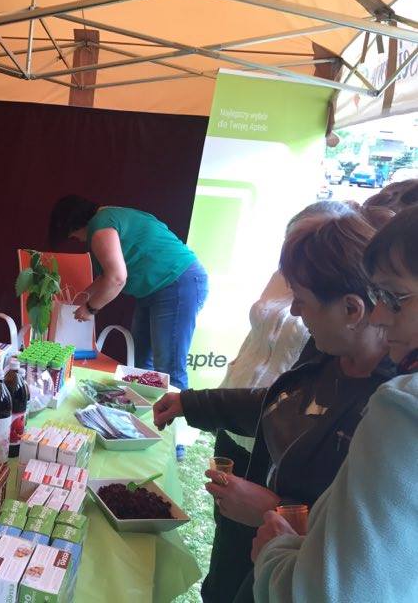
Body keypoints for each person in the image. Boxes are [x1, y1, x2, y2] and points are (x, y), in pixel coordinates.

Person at [152, 210, 395, 602]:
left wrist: (280, 510)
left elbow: (370, 553)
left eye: (302, 300)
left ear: (352, 310)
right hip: (261, 553)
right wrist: (191, 402)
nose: (295, 311)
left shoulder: (391, 409)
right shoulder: (327, 351)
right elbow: (279, 403)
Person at [251, 205, 418, 603]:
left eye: (394, 298)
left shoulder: (400, 408)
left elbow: (331, 592)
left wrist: (276, 551)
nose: (380, 315)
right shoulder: (331, 359)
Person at [202, 201, 353, 602]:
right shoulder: (339, 354)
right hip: (248, 423)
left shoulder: (377, 393)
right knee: (226, 563)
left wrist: (279, 508)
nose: (296, 309)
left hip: (292, 564)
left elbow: (358, 545)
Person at [48, 196, 208, 395]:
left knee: (168, 369)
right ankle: (145, 416)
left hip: (177, 284)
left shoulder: (100, 227)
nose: (78, 240)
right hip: (154, 289)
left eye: (73, 235)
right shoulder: (109, 216)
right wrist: (84, 296)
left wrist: (90, 309)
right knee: (142, 365)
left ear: (74, 224)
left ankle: (173, 421)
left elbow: (117, 278)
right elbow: (107, 276)